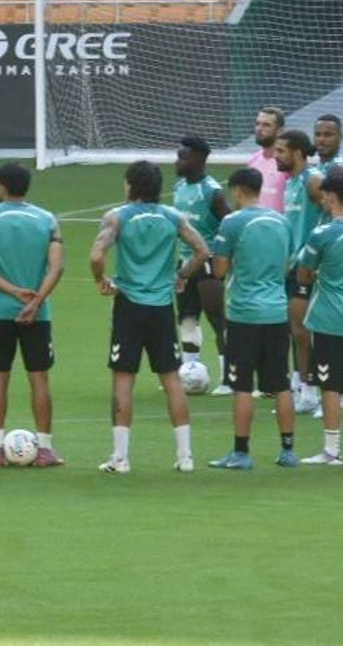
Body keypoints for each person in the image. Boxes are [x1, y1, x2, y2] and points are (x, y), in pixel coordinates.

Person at [88, 161, 211, 474]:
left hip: (129, 305)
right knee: (171, 379)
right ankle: (185, 457)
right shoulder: (173, 217)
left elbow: (96, 254)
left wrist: (102, 281)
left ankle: (121, 458)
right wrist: (180, 275)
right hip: (160, 307)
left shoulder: (117, 216)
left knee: (123, 379)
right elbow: (202, 250)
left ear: (131, 185)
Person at [0, 162, 65, 468]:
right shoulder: (47, 219)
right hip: (38, 314)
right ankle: (47, 449)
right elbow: (57, 267)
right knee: (39, 379)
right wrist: (36, 301)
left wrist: (13, 293)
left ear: (2, 186)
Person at [205, 168, 297, 470]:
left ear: (237, 190)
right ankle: (287, 450)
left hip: (244, 312)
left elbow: (219, 270)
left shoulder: (233, 222)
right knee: (281, 382)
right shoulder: (282, 221)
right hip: (276, 310)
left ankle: (241, 452)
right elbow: (286, 266)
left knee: (242, 384)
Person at [296, 172, 343, 464]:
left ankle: (331, 450)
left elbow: (304, 272)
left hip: (328, 314)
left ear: (330, 196)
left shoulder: (322, 234)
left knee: (329, 384)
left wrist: (316, 273)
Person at [275, 129, 326, 415]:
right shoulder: (291, 182)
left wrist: (321, 257)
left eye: (281, 151)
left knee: (305, 330)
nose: (277, 156)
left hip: (308, 268)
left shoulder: (313, 180)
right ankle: (305, 389)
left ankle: (318, 391)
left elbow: (334, 211)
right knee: (295, 330)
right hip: (291, 266)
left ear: (297, 153)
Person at [171, 137, 230, 387]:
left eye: (183, 157)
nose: (178, 162)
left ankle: (229, 377)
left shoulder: (213, 192)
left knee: (217, 319)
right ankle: (189, 371)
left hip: (207, 262)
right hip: (185, 263)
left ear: (199, 159)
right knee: (186, 317)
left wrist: (220, 256)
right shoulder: (178, 187)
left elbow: (229, 224)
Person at [246, 106, 288, 212]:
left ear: (279, 131)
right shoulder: (253, 161)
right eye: (258, 124)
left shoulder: (287, 163)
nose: (259, 129)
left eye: (266, 125)